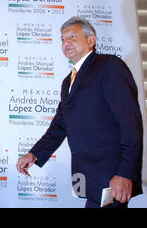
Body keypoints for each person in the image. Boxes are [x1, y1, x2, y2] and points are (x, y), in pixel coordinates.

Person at [16, 16, 144, 208]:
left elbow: (130, 123)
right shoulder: (68, 81)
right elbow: (60, 125)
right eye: (62, 39)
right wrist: (34, 154)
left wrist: (125, 173)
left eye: (72, 37)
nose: (66, 42)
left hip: (112, 175)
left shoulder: (109, 66)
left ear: (91, 41)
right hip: (87, 176)